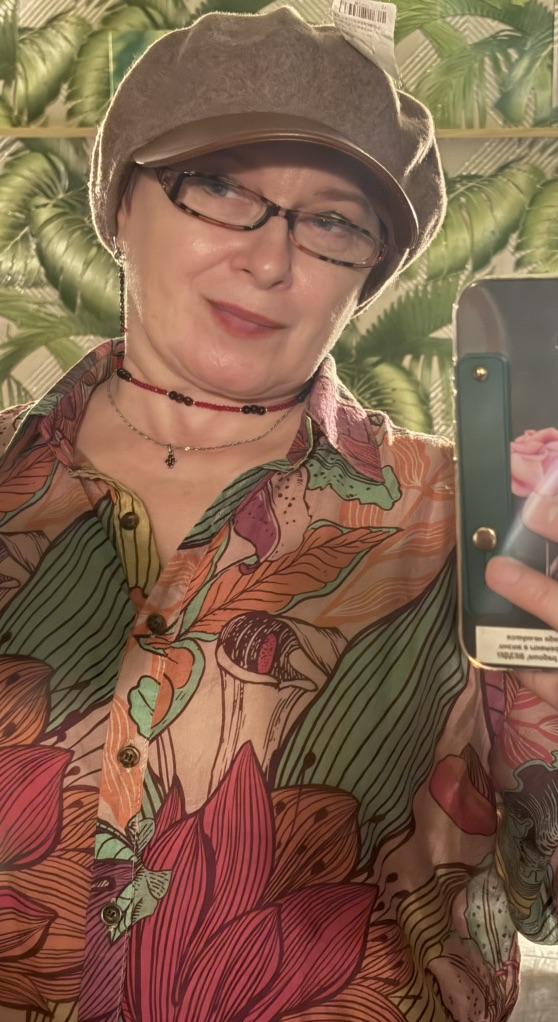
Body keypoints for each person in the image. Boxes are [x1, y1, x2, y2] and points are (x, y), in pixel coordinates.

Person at [0, 6, 556, 1021]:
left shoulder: (473, 521)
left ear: (370, 274)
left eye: (335, 222)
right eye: (221, 187)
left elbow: (548, 899)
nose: (268, 260)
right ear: (120, 205)